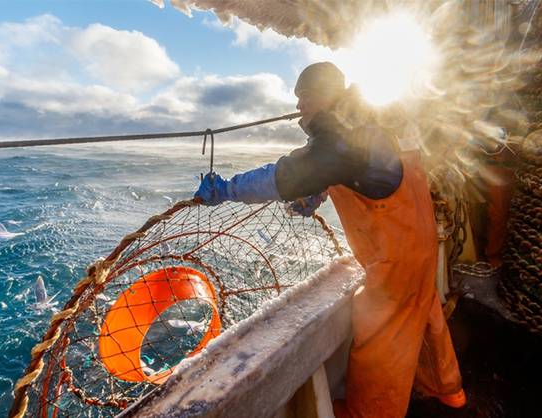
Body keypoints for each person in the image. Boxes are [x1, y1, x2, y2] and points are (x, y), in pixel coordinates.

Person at [195, 62, 465, 418]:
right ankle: (448, 393)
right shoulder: (367, 120)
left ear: (322, 96)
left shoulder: (341, 135)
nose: (298, 108)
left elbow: (289, 175)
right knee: (424, 314)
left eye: (303, 97)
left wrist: (227, 189)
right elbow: (363, 171)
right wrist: (318, 190)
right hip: (418, 243)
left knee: (380, 343)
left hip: (395, 259)